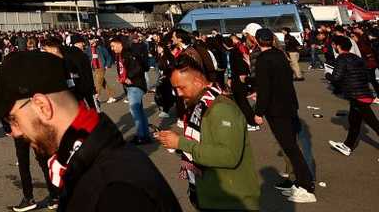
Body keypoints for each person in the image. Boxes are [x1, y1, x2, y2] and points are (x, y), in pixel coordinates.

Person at [0, 50, 179, 212]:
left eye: (13, 119)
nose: (14, 132)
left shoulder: (114, 191)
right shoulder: (87, 159)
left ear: (42, 106)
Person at [156, 54, 261, 211]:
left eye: (181, 87)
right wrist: (175, 143)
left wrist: (181, 142)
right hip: (212, 195)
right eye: (175, 89)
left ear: (198, 81)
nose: (178, 93)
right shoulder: (201, 105)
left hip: (231, 201)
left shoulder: (220, 109)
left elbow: (228, 156)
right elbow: (204, 143)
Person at [249, 28, 315, 202]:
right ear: (272, 40)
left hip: (276, 109)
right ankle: (301, 182)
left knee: (290, 148)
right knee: (292, 145)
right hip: (289, 105)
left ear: (257, 41)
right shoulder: (280, 55)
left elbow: (264, 89)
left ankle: (306, 185)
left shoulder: (263, 60)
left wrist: (258, 112)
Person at [326, 33, 379, 157]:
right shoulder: (357, 58)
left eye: (334, 45)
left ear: (338, 46)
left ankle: (347, 145)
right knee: (354, 121)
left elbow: (336, 78)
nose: (333, 47)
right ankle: (347, 145)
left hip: (357, 95)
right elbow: (367, 76)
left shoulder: (341, 58)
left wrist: (328, 74)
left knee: (374, 124)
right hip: (362, 93)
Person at [108, 37, 153, 144]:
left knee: (135, 111)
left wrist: (129, 77)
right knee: (139, 111)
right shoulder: (121, 55)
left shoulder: (128, 54)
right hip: (131, 86)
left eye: (113, 45)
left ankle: (141, 136)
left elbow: (138, 68)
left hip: (135, 85)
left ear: (120, 44)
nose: (112, 48)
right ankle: (144, 135)